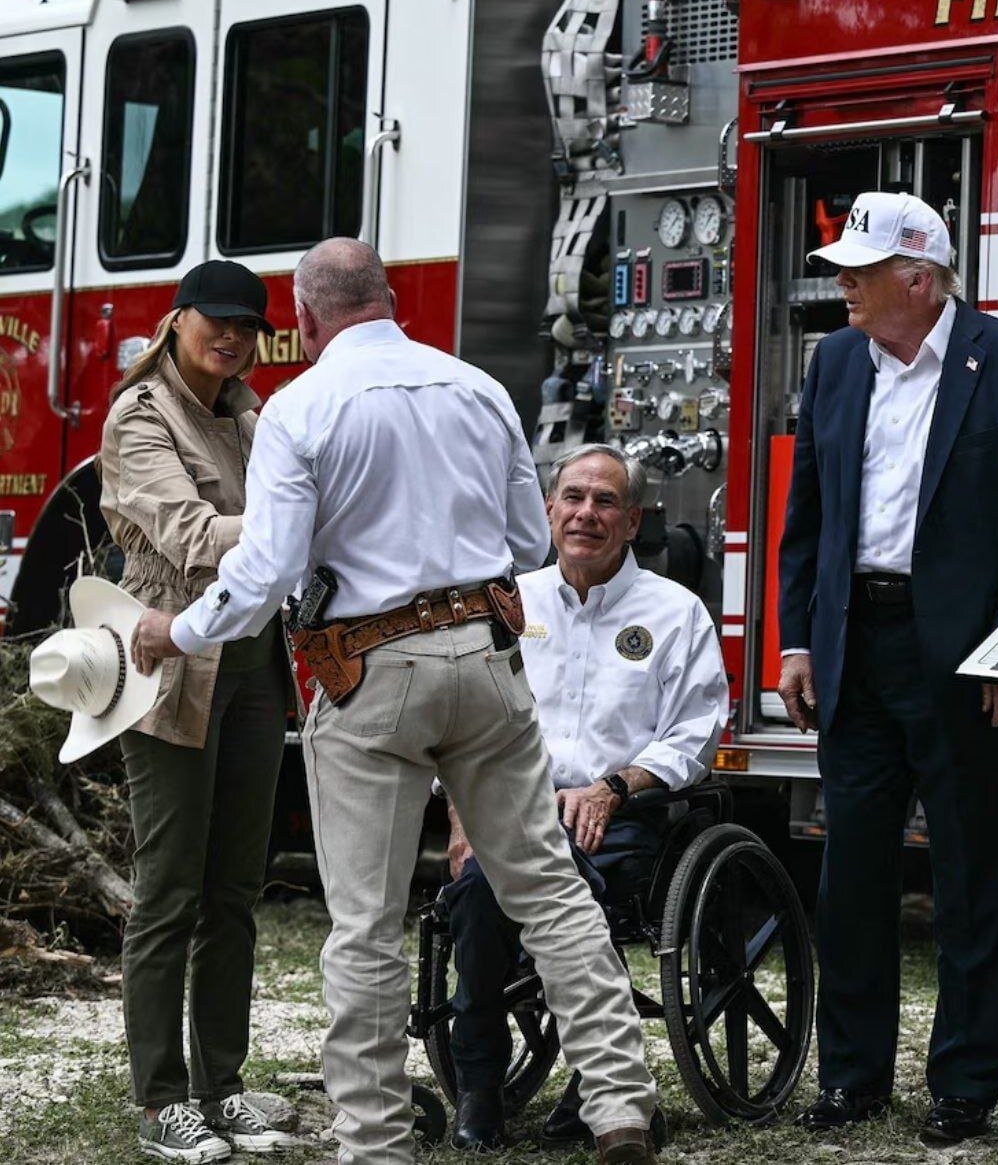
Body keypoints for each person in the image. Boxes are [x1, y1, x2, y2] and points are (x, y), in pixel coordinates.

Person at [128, 238, 660, 1165]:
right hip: (487, 658)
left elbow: (264, 572)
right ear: (390, 297)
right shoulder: (478, 388)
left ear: (303, 318)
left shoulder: (301, 407)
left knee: (366, 924)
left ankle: (374, 1142)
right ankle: (619, 1099)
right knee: (548, 890)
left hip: (369, 670)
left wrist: (175, 632)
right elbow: (527, 535)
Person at [778, 191, 998, 1143]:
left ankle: (965, 1083)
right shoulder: (834, 364)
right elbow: (808, 515)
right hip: (856, 645)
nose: (844, 290)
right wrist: (796, 640)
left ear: (918, 276)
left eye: (858, 275)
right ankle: (852, 1076)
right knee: (852, 875)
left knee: (971, 877)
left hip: (964, 659)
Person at [444, 443, 728, 1151]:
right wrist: (459, 817)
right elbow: (456, 724)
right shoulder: (509, 604)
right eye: (573, 498)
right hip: (509, 812)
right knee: (481, 884)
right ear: (548, 510)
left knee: (543, 874)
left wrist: (613, 786)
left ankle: (596, 1079)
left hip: (627, 821)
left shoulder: (675, 612)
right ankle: (479, 1084)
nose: (586, 514)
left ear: (633, 520)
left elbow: (695, 733)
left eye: (605, 502)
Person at [98, 260, 297, 1160]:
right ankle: (161, 1101)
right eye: (216, 320)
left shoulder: (253, 418)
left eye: (248, 325)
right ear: (176, 320)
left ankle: (223, 1085)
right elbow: (188, 537)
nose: (233, 336)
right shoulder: (139, 418)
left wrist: (290, 523)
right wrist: (293, 523)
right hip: (171, 666)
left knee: (236, 890)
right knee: (169, 889)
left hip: (255, 663)